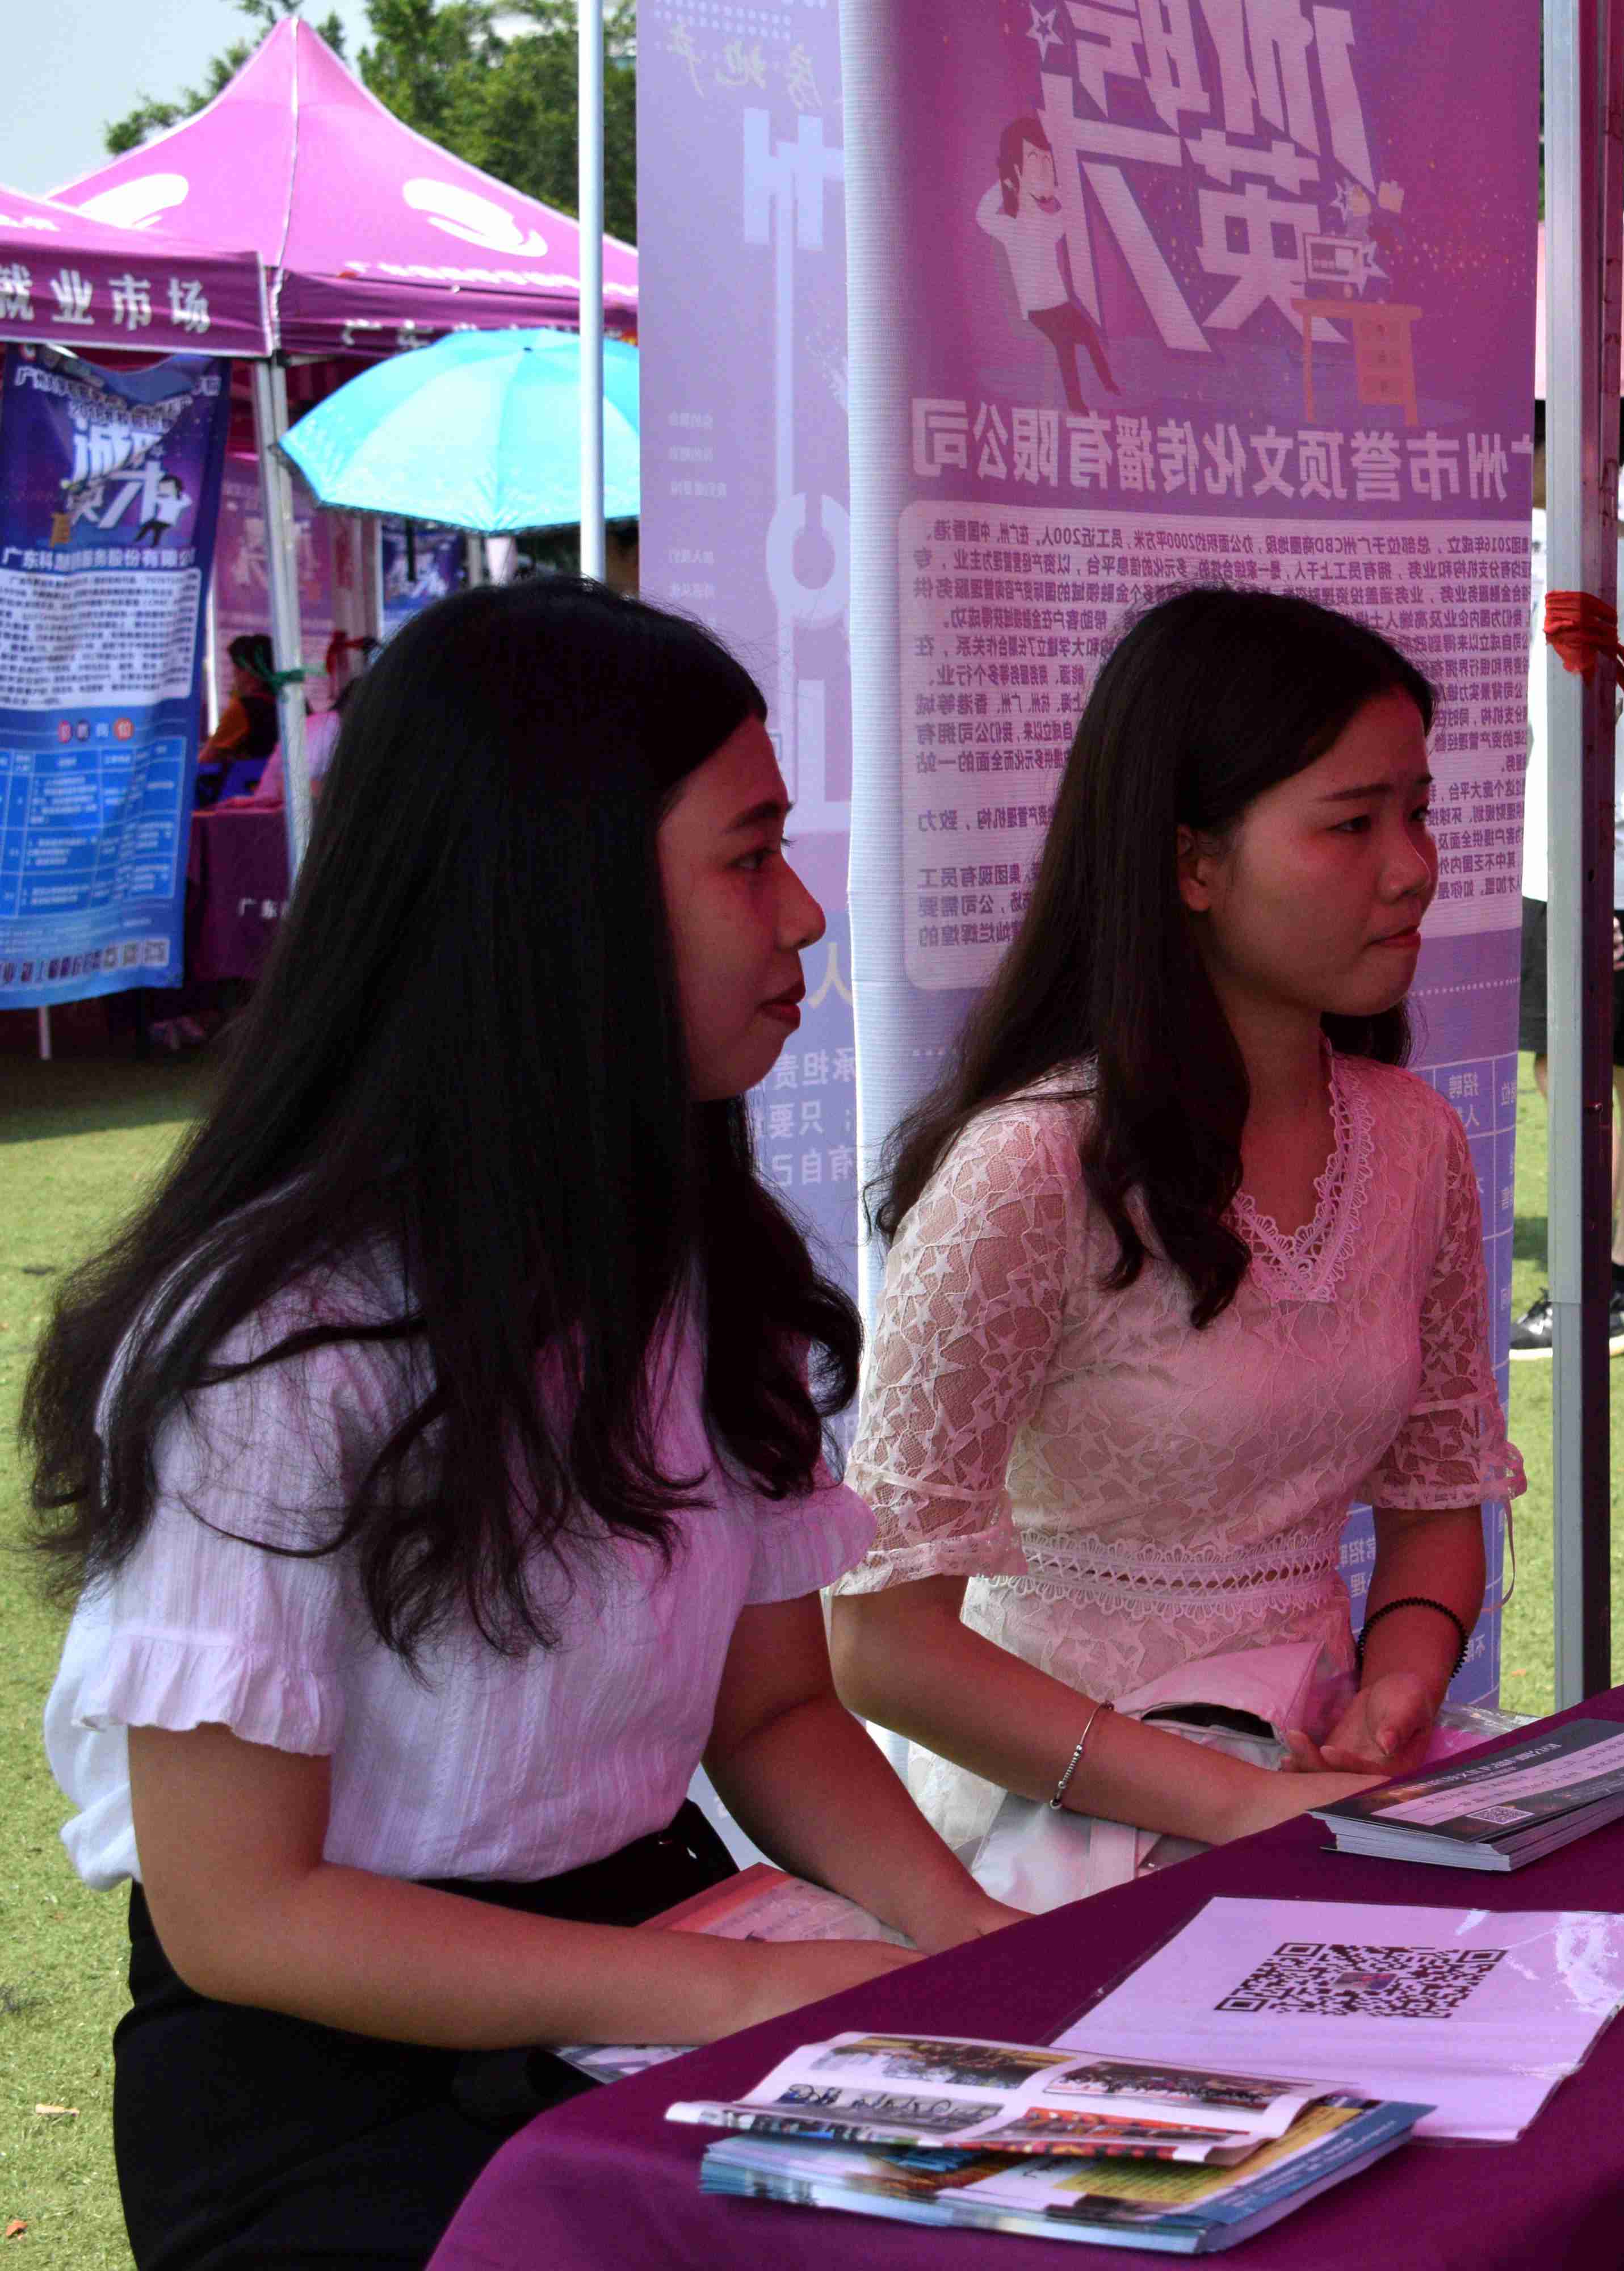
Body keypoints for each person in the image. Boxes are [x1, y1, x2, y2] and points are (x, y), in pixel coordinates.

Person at [27, 580, 1018, 2271]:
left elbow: (775, 1709)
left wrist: (968, 1935)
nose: (802, 913)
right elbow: (241, 1911)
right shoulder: (276, 1343)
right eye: (747, 856)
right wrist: (732, 1991)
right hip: (342, 2094)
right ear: (554, 901)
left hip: (655, 1958)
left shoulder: (689, 1260)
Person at [830, 588, 1520, 1912]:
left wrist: (1398, 1685)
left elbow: (1437, 1499)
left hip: (1309, 1785)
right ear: (1193, 864)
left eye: (1419, 811)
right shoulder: (1032, 1167)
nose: (1413, 867)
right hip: (1047, 1845)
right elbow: (880, 1642)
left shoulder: (1413, 1138)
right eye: (1352, 824)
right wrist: (1228, 1798)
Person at [1513, 399, 1624, 1355]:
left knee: (1570, 1073)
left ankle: (1589, 1294)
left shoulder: (1564, 565)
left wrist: (1585, 884)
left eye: (1528, 442)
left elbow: (1576, 730)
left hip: (1583, 861)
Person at [976, 116, 1117, 414]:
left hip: (1060, 304)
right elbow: (982, 215)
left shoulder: (1048, 222)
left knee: (1088, 335)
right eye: (1034, 160)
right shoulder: (1010, 226)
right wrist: (1006, 183)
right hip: (1037, 309)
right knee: (1065, 343)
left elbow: (1071, 214)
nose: (1042, 168)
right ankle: (1076, 403)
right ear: (1017, 170)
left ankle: (1108, 383)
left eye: (1047, 161)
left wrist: (1054, 187)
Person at [196, 634, 281, 810]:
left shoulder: (242, 709)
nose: (235, 677)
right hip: (286, 797)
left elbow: (206, 759)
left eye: (236, 671)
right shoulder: (298, 704)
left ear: (250, 673)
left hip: (248, 800)